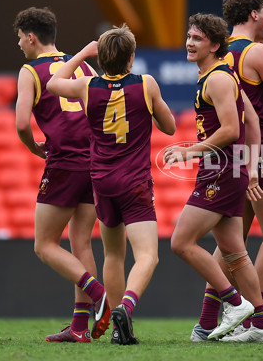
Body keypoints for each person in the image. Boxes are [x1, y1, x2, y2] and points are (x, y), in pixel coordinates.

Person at [47, 24, 176, 345]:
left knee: (113, 255)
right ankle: (126, 309)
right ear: (131, 58)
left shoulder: (87, 86)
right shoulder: (146, 84)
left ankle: (118, 326)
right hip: (134, 182)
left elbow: (52, 83)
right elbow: (171, 127)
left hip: (102, 183)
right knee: (147, 255)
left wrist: (80, 54)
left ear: (101, 58)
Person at [166, 13, 263, 343]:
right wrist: (252, 167)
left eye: (197, 39)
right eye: (188, 36)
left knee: (181, 243)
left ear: (215, 45)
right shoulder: (220, 76)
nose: (189, 42)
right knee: (235, 253)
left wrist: (190, 150)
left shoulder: (217, 79)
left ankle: (234, 303)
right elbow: (253, 121)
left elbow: (231, 129)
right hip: (229, 169)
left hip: (222, 172)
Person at [13, 7, 110, 343]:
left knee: (44, 245)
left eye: (20, 39)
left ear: (31, 36)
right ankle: (80, 328)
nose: (20, 46)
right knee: (80, 241)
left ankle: (99, 295)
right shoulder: (81, 65)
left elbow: (23, 123)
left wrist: (34, 148)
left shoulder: (30, 69)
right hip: (94, 159)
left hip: (64, 161)